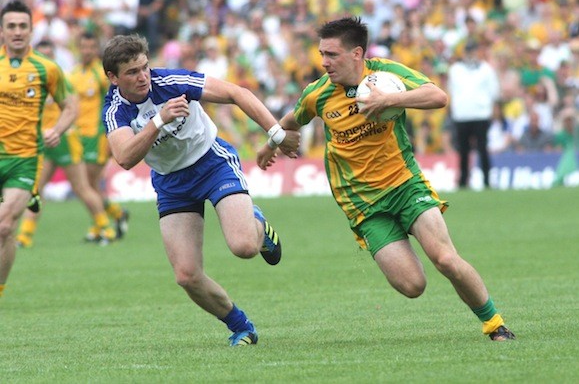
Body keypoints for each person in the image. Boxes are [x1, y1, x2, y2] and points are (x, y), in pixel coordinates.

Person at [257, 17, 515, 341]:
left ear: (357, 54)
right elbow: (294, 118)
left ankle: (495, 325)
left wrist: (388, 100)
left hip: (405, 184)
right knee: (413, 285)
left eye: (332, 55)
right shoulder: (318, 94)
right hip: (363, 203)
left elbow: (437, 96)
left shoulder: (387, 75)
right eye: (321, 53)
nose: (324, 62)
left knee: (446, 258)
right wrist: (273, 142)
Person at [101, 34, 300, 346]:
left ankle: (256, 224)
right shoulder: (115, 110)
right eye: (132, 72)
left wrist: (275, 133)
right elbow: (124, 157)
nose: (143, 77)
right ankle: (241, 326)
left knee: (244, 247)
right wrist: (159, 120)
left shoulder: (171, 80)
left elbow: (236, 92)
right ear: (113, 78)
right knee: (186, 276)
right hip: (171, 183)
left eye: (145, 68)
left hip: (212, 163)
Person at [0, 0, 77, 297]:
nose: (17, 31)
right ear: (3, 32)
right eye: (11, 26)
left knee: (5, 227)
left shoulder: (46, 69)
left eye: (22, 26)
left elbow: (71, 105)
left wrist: (57, 130)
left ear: (31, 30)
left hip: (25, 159)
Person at [15, 39, 117, 248]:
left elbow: (73, 107)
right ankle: (25, 235)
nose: (44, 58)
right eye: (40, 54)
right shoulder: (31, 80)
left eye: (48, 54)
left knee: (82, 187)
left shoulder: (61, 79)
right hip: (44, 142)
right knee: (36, 189)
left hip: (66, 138)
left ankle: (105, 226)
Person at [69, 31, 129, 242]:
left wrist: (109, 138)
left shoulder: (102, 76)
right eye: (83, 47)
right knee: (88, 187)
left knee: (86, 185)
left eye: (91, 47)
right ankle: (114, 215)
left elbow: (113, 104)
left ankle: (103, 225)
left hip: (97, 135)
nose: (87, 51)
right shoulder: (74, 74)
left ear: (97, 50)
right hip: (78, 136)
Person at [448, 38, 500, 189]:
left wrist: (486, 107)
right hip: (462, 115)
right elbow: (452, 90)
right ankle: (463, 181)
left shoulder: (486, 69)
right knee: (463, 150)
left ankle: (487, 181)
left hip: (481, 115)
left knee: (482, 149)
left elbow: (494, 92)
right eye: (468, 51)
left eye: (473, 50)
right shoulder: (455, 69)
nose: (470, 54)